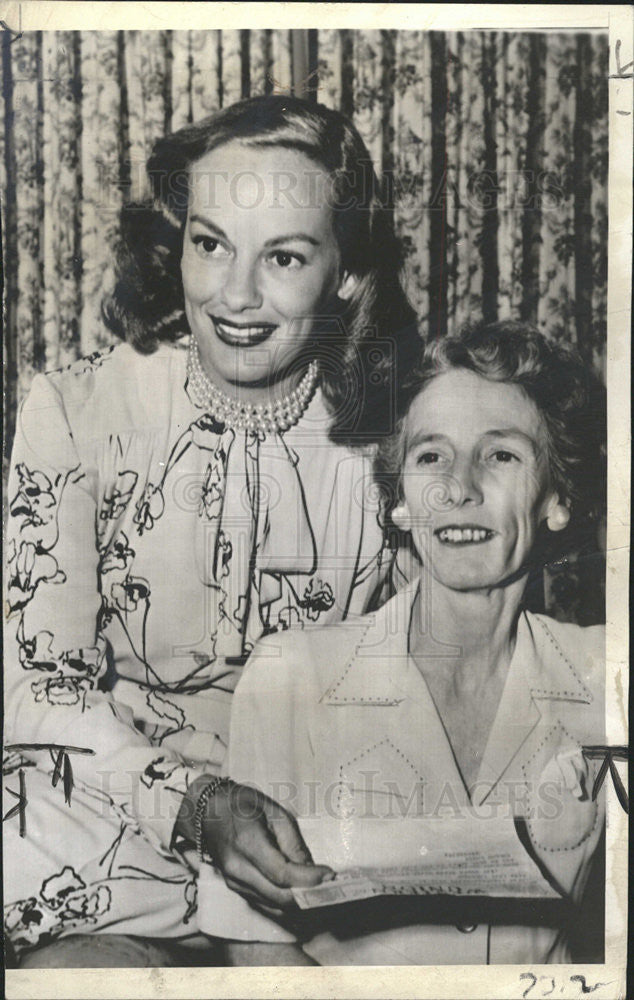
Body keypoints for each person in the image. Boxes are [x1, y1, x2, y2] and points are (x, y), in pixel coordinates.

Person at [3, 94, 419, 966]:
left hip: (310, 836)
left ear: (344, 272)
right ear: (178, 239)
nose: (235, 295)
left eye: (285, 257)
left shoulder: (404, 435)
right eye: (211, 243)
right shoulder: (74, 410)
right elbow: (37, 687)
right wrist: (197, 804)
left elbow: (422, 687)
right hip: (101, 819)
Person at [227, 320, 607, 965]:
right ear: (402, 500)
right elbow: (252, 952)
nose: (459, 487)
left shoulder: (607, 674)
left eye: (501, 455)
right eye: (431, 456)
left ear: (558, 498)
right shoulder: (290, 674)